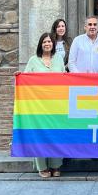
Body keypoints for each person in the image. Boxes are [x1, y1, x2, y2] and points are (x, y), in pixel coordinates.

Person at [24, 32, 66, 178]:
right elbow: (26, 79)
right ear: (40, 45)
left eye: (49, 42)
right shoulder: (33, 60)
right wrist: (19, 77)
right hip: (38, 105)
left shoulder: (59, 59)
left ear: (53, 44)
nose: (47, 44)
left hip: (56, 105)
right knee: (40, 135)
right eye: (44, 42)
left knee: (56, 134)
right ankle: (42, 167)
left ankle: (55, 165)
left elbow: (65, 78)